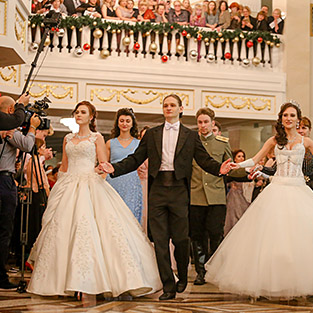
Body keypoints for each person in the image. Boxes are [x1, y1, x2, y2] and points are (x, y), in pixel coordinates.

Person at [205, 102, 313, 299]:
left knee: (300, 239)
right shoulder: (273, 141)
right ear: (281, 119)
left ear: (298, 119)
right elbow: (255, 160)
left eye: (292, 115)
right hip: (277, 189)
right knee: (271, 239)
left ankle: (299, 283)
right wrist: (235, 165)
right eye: (285, 115)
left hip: (299, 190)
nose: (289, 118)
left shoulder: (306, 142)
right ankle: (271, 283)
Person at [99, 94, 233, 301]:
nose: (168, 108)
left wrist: (220, 169)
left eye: (172, 105)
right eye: (165, 105)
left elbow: (204, 159)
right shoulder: (152, 134)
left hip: (179, 190)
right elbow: (135, 159)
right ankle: (168, 285)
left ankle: (181, 274)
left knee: (180, 239)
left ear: (181, 109)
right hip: (158, 189)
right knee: (160, 241)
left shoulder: (190, 135)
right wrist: (114, 168)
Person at [27, 101, 162, 297]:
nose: (78, 115)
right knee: (63, 229)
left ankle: (96, 279)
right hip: (69, 185)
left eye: (83, 112)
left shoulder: (97, 138)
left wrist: (97, 173)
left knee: (93, 229)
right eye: (76, 112)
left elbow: (103, 163)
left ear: (91, 117)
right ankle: (61, 281)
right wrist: (57, 189)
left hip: (90, 183)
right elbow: (64, 166)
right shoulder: (67, 138)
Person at [190, 108, 234, 286]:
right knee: (197, 236)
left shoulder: (222, 143)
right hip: (195, 195)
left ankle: (215, 269)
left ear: (212, 123)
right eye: (199, 122)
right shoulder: (191, 142)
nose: (202, 126)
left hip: (216, 196)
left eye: (206, 122)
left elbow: (231, 167)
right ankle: (201, 271)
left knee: (215, 234)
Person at [0, 97, 39, 289]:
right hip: (4, 181)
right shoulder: (8, 130)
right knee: (4, 230)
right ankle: (0, 276)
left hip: (6, 178)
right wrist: (32, 128)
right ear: (9, 111)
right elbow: (28, 146)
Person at [106, 108, 143, 223]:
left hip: (132, 184)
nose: (124, 124)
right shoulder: (110, 143)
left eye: (127, 121)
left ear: (132, 124)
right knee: (114, 215)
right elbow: (104, 165)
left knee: (130, 216)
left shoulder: (139, 143)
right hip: (113, 182)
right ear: (117, 123)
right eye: (121, 121)